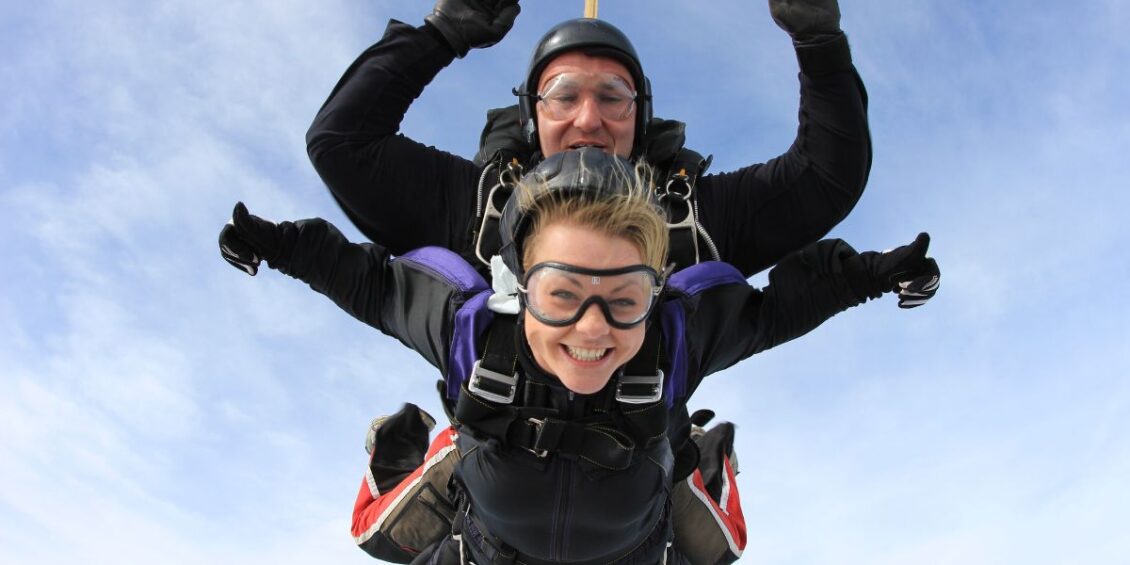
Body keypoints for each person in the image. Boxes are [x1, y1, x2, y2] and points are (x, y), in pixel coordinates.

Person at [219, 148, 940, 563]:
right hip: (484, 550)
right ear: (519, 289)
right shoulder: (475, 333)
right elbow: (371, 285)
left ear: (655, 292)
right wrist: (280, 245)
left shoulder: (674, 338)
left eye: (625, 298)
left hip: (634, 551)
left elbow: (781, 308)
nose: (593, 329)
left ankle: (699, 460)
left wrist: (873, 276)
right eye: (562, 293)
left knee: (718, 549)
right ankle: (429, 453)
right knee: (378, 537)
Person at [305, 0, 870, 278]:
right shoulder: (475, 209)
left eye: (613, 97)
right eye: (564, 95)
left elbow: (826, 176)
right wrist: (442, 32)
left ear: (640, 116)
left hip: (647, 467)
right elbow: (342, 142)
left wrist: (817, 41)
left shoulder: (693, 219)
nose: (588, 119)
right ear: (531, 115)